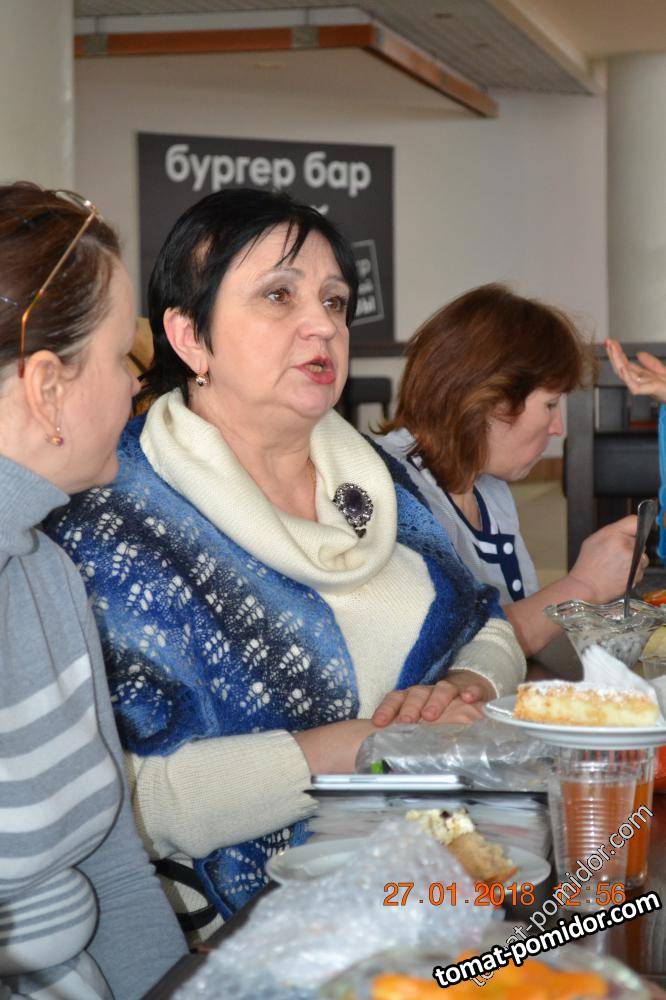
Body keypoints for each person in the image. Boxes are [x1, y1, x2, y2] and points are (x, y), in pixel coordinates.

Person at [47, 189, 525, 936]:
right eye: (279, 295)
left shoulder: (373, 476)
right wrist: (344, 752)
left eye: (334, 302)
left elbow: (485, 623)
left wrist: (464, 686)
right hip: (248, 938)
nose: (322, 325)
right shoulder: (115, 516)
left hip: (448, 874)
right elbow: (121, 803)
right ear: (190, 337)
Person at [0, 183, 186, 998]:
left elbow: (110, 863)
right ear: (48, 387)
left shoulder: (45, 570)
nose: (135, 388)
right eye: (122, 358)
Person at [375, 284, 645, 660]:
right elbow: (450, 655)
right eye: (550, 405)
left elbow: (512, 637)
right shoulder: (389, 489)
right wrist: (584, 585)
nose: (557, 428)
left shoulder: (488, 489)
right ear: (492, 400)